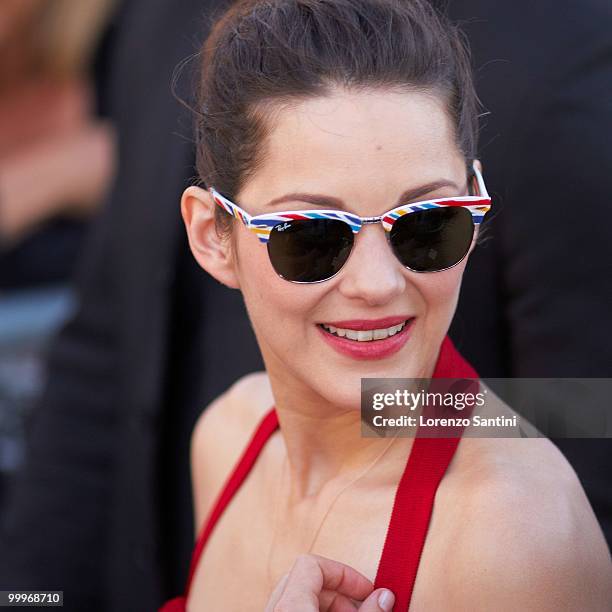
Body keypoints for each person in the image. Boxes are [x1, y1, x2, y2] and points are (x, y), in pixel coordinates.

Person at [161, 0, 611, 610]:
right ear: (214, 235)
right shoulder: (227, 436)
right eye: (312, 235)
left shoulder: (516, 535)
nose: (376, 284)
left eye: (428, 224)